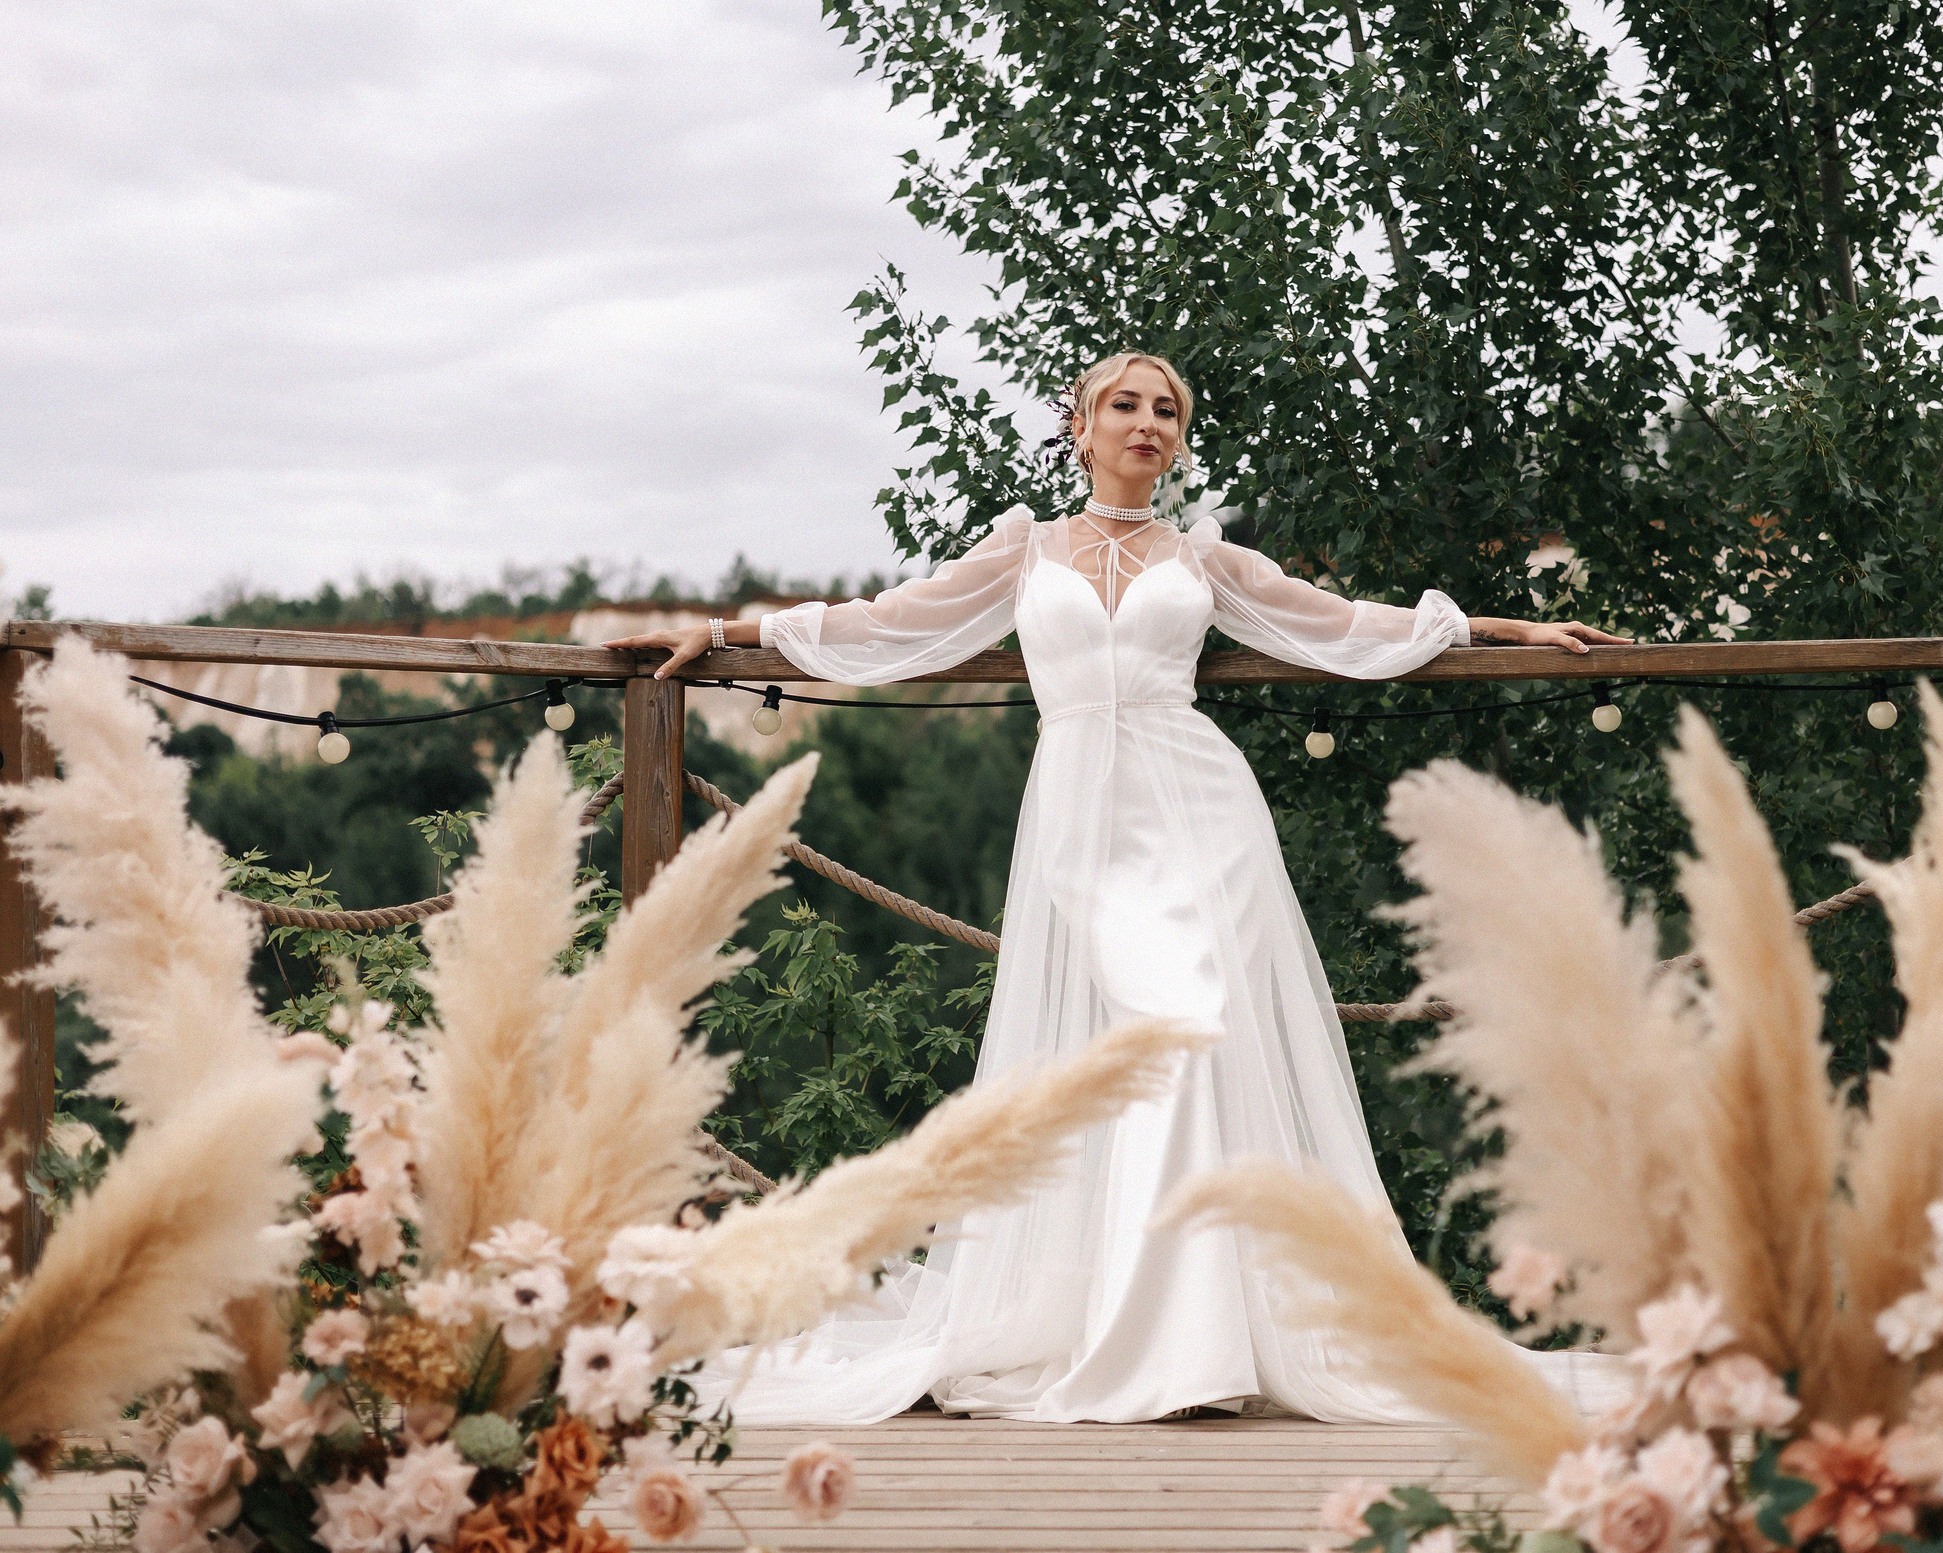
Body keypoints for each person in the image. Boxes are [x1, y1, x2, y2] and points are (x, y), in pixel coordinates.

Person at [607, 352, 1632, 1425]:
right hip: (1081, 819)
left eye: (1167, 410)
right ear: (1082, 427)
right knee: (1132, 1046)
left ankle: (1190, 1343)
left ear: (1179, 439)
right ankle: (1135, 1325)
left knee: (1188, 1032)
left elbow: (1345, 623)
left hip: (1202, 811)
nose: (1148, 422)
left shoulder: (1203, 556)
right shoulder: (1024, 547)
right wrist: (722, 634)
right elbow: (887, 620)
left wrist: (1502, 629)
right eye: (1125, 405)